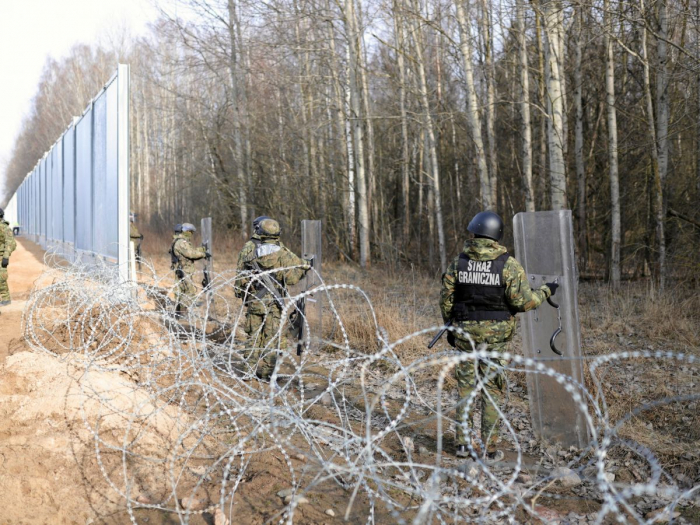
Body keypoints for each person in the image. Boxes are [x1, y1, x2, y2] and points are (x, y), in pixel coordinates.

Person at [439, 211, 558, 460]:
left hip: (465, 336)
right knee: (491, 389)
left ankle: (462, 445)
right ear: (497, 235)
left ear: (474, 232)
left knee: (465, 388)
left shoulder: (458, 263)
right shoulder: (508, 264)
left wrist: (450, 329)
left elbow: (447, 300)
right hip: (496, 340)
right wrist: (546, 291)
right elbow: (524, 303)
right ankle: (489, 449)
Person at [235, 217, 309, 381]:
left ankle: (248, 370)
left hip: (255, 300)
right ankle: (268, 373)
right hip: (274, 303)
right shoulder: (282, 253)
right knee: (272, 338)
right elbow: (292, 278)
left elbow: (240, 277)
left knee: (253, 337)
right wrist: (305, 267)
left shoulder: (250, 249)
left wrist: (243, 295)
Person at [170, 222, 208, 314]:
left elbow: (191, 250)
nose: (191, 234)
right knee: (188, 292)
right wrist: (203, 254)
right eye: (190, 232)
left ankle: (180, 315)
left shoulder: (182, 242)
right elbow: (190, 254)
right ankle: (183, 315)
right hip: (184, 270)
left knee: (183, 292)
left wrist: (202, 250)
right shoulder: (180, 242)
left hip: (184, 269)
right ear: (186, 232)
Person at [0, 208, 18, 307]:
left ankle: (6, 299)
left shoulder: (5, 228)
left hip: (1, 257)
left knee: (1, 278)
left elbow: (10, 242)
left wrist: (5, 257)